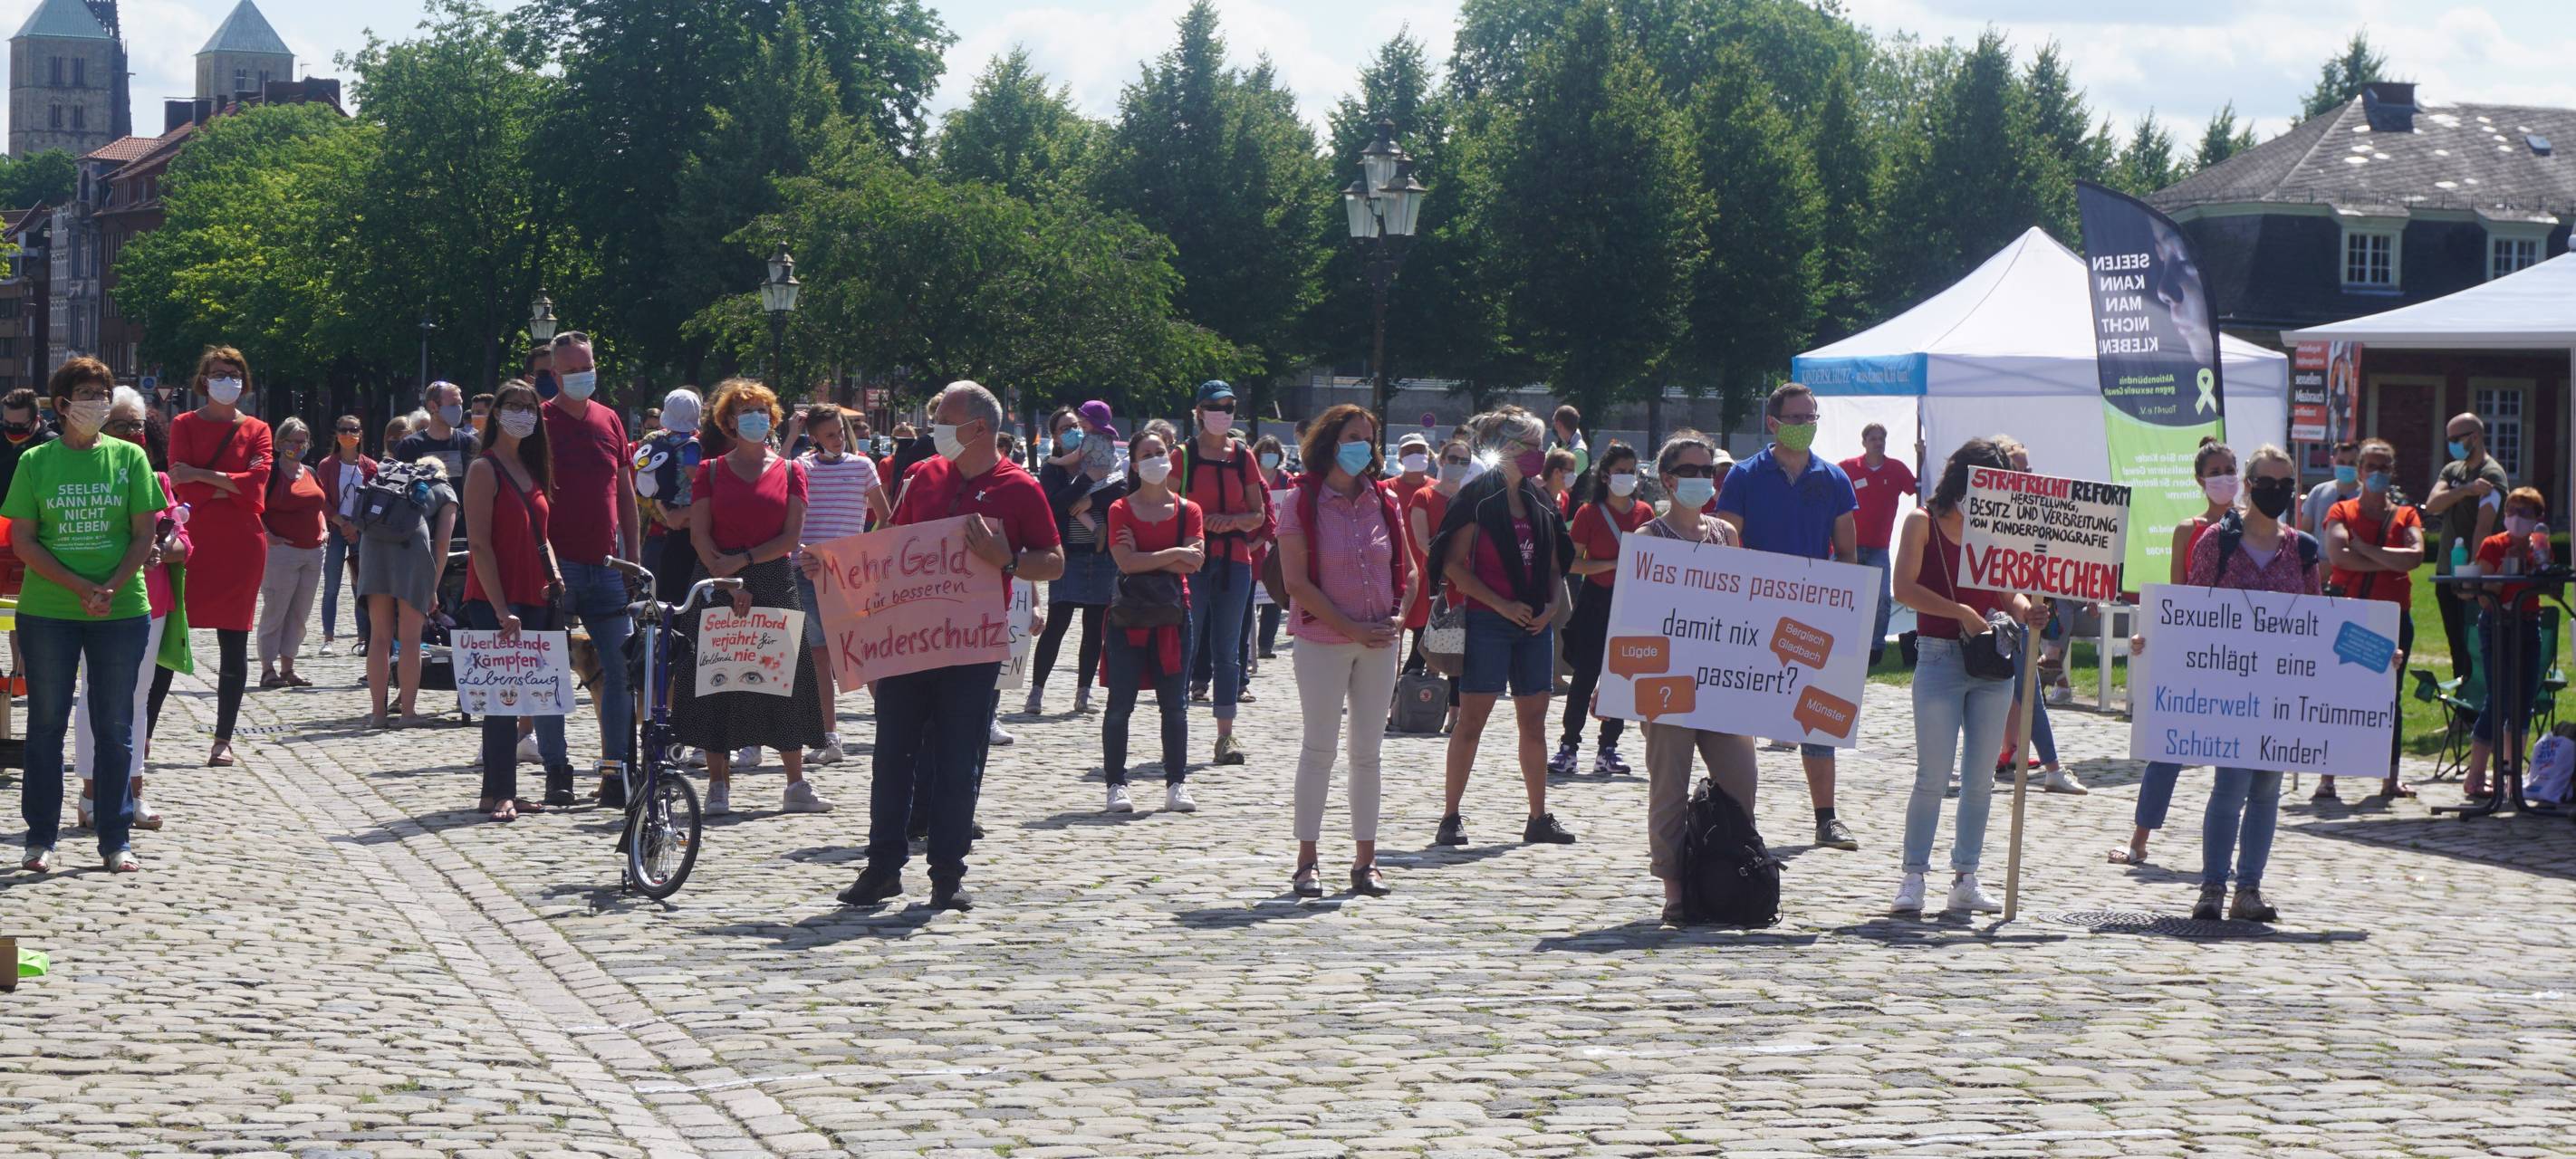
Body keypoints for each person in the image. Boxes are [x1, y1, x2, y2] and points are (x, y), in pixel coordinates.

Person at [839, 381, 1063, 912]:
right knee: (892, 755)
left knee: (959, 760)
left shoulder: (1019, 487)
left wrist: (1008, 560)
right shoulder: (921, 476)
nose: (934, 428)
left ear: (979, 428)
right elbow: (890, 547)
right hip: (910, 641)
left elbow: (1053, 562)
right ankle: (883, 868)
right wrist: (835, 571)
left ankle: (947, 873)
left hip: (971, 647)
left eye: (944, 420)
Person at [10, 358, 162, 874]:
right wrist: (80, 587)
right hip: (49, 611)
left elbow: (144, 533)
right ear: (62, 404)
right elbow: (24, 540)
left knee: (114, 725)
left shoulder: (129, 458)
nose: (97, 403)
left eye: (103, 394)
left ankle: (115, 838)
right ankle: (40, 838)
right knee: (45, 725)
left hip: (120, 610)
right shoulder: (36, 462)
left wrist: (111, 586)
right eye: (87, 394)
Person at [1889, 436, 2039, 915]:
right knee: (1932, 776)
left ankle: (1965, 877)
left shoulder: (1995, 528)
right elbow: (1903, 588)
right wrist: (1961, 613)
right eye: (1990, 484)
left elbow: (2009, 594)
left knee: (1980, 781)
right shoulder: (1922, 521)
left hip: (1992, 660)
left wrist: (2027, 611)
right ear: (1965, 478)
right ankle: (1913, 877)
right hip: (1939, 657)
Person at [2171, 444, 2317, 923]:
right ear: (2249, 486)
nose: (2277, 491)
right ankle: (2212, 887)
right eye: (2267, 483)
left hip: (2282, 691)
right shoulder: (2218, 542)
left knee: (2267, 788)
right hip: (2229, 687)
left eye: (2285, 484)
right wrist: (2154, 647)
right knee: (2231, 785)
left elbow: (2321, 623)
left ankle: (2248, 889)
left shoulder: (2303, 550)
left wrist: (2378, 660)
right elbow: (2190, 610)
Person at [1715, 382, 1860, 851]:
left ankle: (1826, 818)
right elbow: (1727, 542)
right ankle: (1738, 817)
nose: (1804, 425)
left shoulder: (1834, 478)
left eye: (1810, 417)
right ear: (1773, 423)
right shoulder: (1743, 476)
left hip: (1813, 615)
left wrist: (1842, 608)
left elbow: (1848, 553)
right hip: (1752, 614)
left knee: (1817, 713)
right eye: (1796, 418)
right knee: (1741, 716)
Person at [1430, 406, 1576, 848]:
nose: (1539, 453)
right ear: (1504, 447)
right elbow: (1453, 565)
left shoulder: (1540, 499)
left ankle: (1538, 816)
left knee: (1534, 722)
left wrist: (1551, 606)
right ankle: (1450, 815)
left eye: (1540, 445)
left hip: (1533, 625)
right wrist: (1501, 605)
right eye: (1530, 445)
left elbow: (1556, 564)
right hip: (1487, 621)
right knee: (1471, 720)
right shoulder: (1476, 499)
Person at [687, 379, 832, 817]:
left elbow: (790, 536)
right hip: (717, 579)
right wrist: (727, 577)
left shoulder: (790, 471)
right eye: (743, 411)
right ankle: (718, 784)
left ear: (772, 419)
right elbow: (699, 534)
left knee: (783, 681)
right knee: (717, 682)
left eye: (761, 411)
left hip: (772, 579)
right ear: (729, 422)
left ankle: (795, 784)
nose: (754, 418)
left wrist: (745, 561)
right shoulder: (711, 470)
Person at [1279, 405, 1408, 896]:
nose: (1364, 446)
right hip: (1322, 641)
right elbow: (1296, 582)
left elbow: (1410, 571)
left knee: (1368, 753)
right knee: (1319, 749)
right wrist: (1351, 627)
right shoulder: (1303, 499)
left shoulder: (1384, 498)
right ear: (1331, 440)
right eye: (1355, 436)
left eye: (1369, 438)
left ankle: (1366, 860)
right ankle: (1307, 860)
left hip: (1380, 642)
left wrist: (1398, 615)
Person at [1635, 430, 1755, 923]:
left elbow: (1746, 605)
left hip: (1722, 682)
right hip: (1667, 683)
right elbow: (1633, 617)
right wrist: (1610, 679)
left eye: (1709, 471)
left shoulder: (1726, 534)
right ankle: (1675, 891)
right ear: (1667, 479)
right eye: (1690, 471)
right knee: (1669, 788)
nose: (1703, 479)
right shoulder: (1648, 539)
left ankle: (1726, 879)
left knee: (1741, 782)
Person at [2110, 438, 2239, 866]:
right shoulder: (2188, 530)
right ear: (2200, 480)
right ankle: (2139, 839)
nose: (2224, 478)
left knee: (2237, 761)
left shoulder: (2255, 529)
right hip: (2194, 656)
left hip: (2242, 659)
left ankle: (2229, 855)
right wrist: (2149, 636)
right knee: (2168, 749)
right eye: (2215, 472)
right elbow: (2174, 598)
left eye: (2229, 470)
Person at [71, 388, 185, 836]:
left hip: (147, 601)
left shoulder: (158, 480)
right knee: (93, 696)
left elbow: (183, 542)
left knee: (138, 697)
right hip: (93, 599)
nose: (133, 433)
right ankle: (91, 795)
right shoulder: (85, 474)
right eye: (121, 425)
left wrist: (163, 547)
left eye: (138, 425)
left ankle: (134, 792)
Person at [543, 332, 644, 805]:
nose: (583, 375)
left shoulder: (609, 419)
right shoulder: (540, 423)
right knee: (550, 674)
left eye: (587, 366)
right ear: (555, 374)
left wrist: (633, 556)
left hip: (607, 566)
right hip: (556, 566)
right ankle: (557, 770)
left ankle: (616, 771)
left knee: (620, 671)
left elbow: (625, 492)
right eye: (572, 369)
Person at [461, 379, 568, 819]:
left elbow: (543, 534)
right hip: (496, 599)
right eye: (514, 405)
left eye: (530, 407)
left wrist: (554, 572)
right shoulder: (483, 469)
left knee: (524, 698)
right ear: (498, 412)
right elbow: (480, 545)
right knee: (500, 700)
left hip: (535, 594)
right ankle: (499, 791)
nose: (523, 413)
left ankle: (501, 790)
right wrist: (501, 607)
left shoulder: (531, 466)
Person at [167, 346, 271, 768]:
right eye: (218, 373)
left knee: (234, 643)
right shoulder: (183, 424)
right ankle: (145, 733)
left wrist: (202, 475)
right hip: (192, 542)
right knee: (169, 637)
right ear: (204, 380)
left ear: (243, 382)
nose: (226, 380)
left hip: (242, 545)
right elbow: (179, 484)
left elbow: (257, 484)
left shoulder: (259, 429)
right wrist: (229, 484)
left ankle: (223, 738)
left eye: (233, 373)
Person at [1101, 428, 1204, 814]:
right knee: (1119, 705)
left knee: (1174, 705)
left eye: (1160, 452)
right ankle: (1116, 784)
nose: (1155, 460)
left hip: (1173, 617)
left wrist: (1148, 556)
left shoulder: (1189, 510)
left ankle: (1176, 782)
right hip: (1128, 616)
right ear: (1133, 464)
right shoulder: (1120, 509)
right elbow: (1125, 563)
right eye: (1146, 454)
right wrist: (1174, 552)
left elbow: (1194, 563)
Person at [2318, 437, 2422, 802]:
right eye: (2371, 466)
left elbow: (2415, 557)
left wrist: (2365, 549)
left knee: (2390, 696)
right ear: (2360, 471)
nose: (2378, 473)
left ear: (2392, 471)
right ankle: (2328, 777)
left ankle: (2390, 778)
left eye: (2384, 467)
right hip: (2352, 615)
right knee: (2339, 693)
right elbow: (2339, 556)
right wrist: (2388, 561)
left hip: (2393, 618)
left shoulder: (2406, 515)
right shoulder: (2341, 510)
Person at [1177, 381, 1274, 763]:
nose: (1223, 413)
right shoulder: (1183, 455)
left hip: (1234, 561)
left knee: (1229, 651)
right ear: (1199, 411)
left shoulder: (1243, 456)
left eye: (1230, 407)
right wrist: (1200, 523)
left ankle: (1226, 735)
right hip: (1193, 560)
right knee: (1185, 643)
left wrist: (1230, 521)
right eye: (1215, 407)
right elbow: (1169, 506)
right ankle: (1175, 728)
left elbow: (1258, 514)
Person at [793, 402, 881, 766]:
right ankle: (829, 736)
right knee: (819, 655)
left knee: (865, 653)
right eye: (829, 434)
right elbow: (778, 495)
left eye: (841, 432)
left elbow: (886, 516)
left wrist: (863, 553)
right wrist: (790, 436)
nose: (838, 439)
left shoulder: (862, 466)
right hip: (808, 571)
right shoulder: (801, 467)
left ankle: (895, 724)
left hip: (848, 574)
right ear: (813, 437)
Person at [1555, 441, 1648, 777]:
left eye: (1631, 471)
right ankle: (1568, 746)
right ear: (1606, 475)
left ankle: (1608, 748)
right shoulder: (1588, 513)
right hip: (1596, 601)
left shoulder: (1645, 513)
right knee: (1584, 676)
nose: (1626, 476)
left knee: (1620, 676)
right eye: (1620, 471)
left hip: (1630, 604)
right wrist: (1611, 564)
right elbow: (1572, 563)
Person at [1028, 406, 1123, 716]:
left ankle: (1084, 692)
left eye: (1075, 425)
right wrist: (1083, 484)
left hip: (1100, 555)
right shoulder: (1053, 470)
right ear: (1055, 437)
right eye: (1065, 428)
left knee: (1094, 629)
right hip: (1069, 556)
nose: (1073, 431)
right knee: (1057, 624)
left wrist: (1092, 498)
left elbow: (1120, 491)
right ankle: (1036, 691)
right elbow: (1053, 505)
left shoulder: (1100, 457)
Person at [2460, 486, 2553, 802]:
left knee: (2523, 700)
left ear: (2537, 518)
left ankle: (2513, 777)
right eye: (2511, 511)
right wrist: (2505, 568)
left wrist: (2540, 568)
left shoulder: (2540, 546)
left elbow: (2551, 588)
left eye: (2523, 513)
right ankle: (2476, 775)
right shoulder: (2493, 545)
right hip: (2498, 625)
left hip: (2528, 624)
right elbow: (2485, 597)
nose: (2515, 518)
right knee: (2498, 698)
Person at [359, 451, 457, 729]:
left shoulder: (394, 481)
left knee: (379, 637)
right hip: (411, 553)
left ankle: (378, 714)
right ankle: (408, 713)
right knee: (411, 639)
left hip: (374, 548)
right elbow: (442, 544)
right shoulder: (445, 490)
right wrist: (432, 588)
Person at [2425, 413, 2507, 681]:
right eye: (2448, 439)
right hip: (2446, 571)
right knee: (2456, 644)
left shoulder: (2491, 474)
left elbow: (2483, 528)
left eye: (2455, 439)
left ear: (2474, 437)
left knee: (2475, 644)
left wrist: (2473, 575)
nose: (2451, 445)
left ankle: (2477, 698)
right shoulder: (2453, 471)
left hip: (2473, 573)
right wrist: (2465, 490)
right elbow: (2433, 505)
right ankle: (2462, 695)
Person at [255, 417, 329, 689]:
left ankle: (288, 667)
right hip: (281, 551)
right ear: (279, 443)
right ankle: (268, 668)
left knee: (300, 613)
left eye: (303, 441)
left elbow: (318, 506)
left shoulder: (309, 471)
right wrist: (268, 535)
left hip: (313, 551)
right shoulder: (270, 473)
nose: (299, 446)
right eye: (294, 441)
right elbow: (253, 507)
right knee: (276, 610)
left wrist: (324, 529)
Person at [1839, 421, 1918, 666]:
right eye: (1873, 438)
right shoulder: (1847, 467)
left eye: (1881, 438)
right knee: (1842, 597)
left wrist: (1923, 457)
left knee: (1882, 600)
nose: (1878, 443)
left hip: (1878, 548)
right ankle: (1840, 643)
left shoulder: (1896, 469)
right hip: (1847, 546)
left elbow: (1919, 488)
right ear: (1864, 443)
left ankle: (1875, 649)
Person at [632, 388, 705, 606]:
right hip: (684, 507)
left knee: (653, 593)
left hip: (661, 506)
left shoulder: (658, 441)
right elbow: (692, 471)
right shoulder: (693, 444)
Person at [314, 416, 374, 658]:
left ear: (361, 433)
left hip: (360, 531)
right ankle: (328, 638)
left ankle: (362, 638)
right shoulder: (326, 465)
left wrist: (355, 526)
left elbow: (374, 499)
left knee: (360, 587)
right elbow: (321, 498)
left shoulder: (370, 466)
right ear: (337, 434)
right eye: (343, 430)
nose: (348, 434)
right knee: (331, 586)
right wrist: (340, 522)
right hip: (336, 529)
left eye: (353, 429)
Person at [1251, 433, 1294, 663]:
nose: (1270, 456)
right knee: (1251, 597)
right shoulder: (1251, 478)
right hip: (1255, 543)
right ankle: (1248, 644)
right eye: (1266, 452)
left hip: (1279, 545)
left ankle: (1265, 645)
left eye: (1274, 452)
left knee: (1274, 593)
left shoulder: (1286, 480)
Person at [396, 380, 479, 483]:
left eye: (460, 404)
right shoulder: (409, 446)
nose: (458, 409)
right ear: (433, 406)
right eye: (453, 404)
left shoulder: (470, 444)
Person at [2301, 441, 2360, 538]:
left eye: (2352, 463)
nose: (2346, 467)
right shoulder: (2318, 492)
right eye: (2341, 462)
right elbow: (2305, 530)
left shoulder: (2366, 495)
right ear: (2332, 461)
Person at [1389, 432, 1433, 512]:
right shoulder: (1387, 488)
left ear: (1428, 455)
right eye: (1409, 452)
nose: (1415, 455)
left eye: (1419, 451)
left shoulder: (1438, 488)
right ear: (1400, 458)